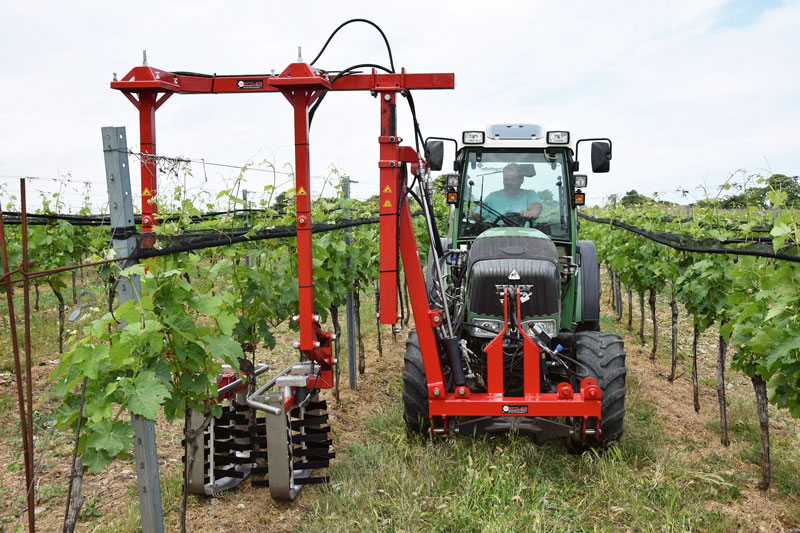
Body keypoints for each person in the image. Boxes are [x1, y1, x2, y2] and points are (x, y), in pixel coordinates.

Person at [472, 163, 542, 222]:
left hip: (526, 236)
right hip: (496, 236)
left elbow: (536, 208)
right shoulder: (492, 197)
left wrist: (530, 214)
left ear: (521, 180)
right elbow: (476, 217)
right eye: (506, 179)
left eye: (513, 179)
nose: (509, 183)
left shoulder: (529, 194)